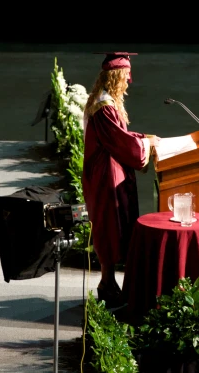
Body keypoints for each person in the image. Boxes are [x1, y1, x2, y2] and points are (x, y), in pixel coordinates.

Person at [82, 52, 160, 307]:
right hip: (106, 176)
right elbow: (120, 141)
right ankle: (107, 283)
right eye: (126, 75)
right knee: (110, 226)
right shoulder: (104, 107)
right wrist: (145, 143)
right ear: (116, 76)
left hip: (110, 172)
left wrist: (144, 137)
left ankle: (110, 282)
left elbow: (120, 135)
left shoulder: (105, 102)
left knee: (115, 225)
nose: (129, 80)